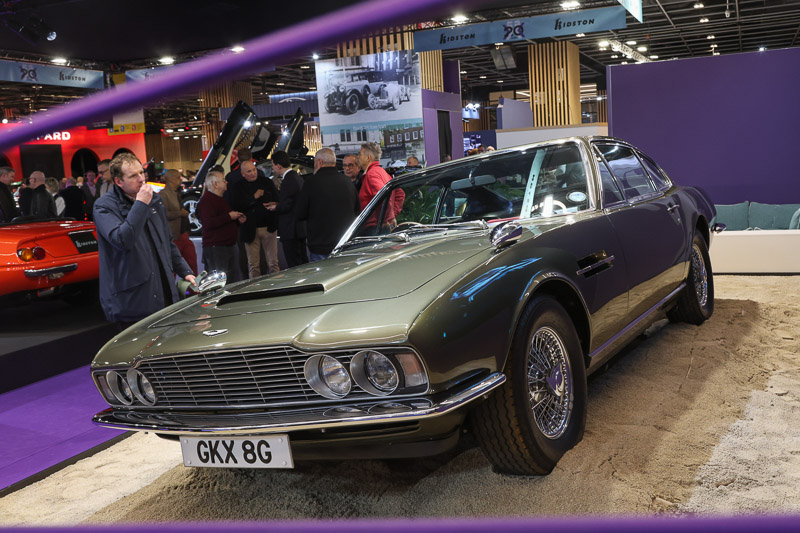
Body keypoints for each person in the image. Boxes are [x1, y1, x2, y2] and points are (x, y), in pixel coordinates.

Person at [93, 153, 195, 329]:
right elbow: (123, 240)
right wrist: (140, 204)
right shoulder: (104, 206)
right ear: (119, 182)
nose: (141, 179)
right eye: (133, 176)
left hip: (163, 293)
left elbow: (167, 242)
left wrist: (185, 271)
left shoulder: (155, 200)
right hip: (132, 301)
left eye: (141, 172)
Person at [295, 147, 359, 262]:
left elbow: (300, 213)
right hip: (344, 244)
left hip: (320, 246)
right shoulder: (347, 182)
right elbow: (357, 211)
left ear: (319, 162)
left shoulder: (311, 183)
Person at [230, 160, 280, 278]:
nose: (253, 173)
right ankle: (255, 289)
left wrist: (274, 203)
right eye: (249, 171)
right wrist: (254, 197)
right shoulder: (238, 186)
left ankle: (278, 287)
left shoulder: (266, 182)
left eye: (254, 170)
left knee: (273, 262)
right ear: (243, 174)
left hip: (269, 227)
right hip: (250, 229)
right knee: (253, 265)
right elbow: (237, 205)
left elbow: (277, 198)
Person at [197, 170, 245, 279]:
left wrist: (236, 220)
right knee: (219, 281)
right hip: (217, 248)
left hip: (227, 246)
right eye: (223, 180)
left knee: (231, 279)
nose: (226, 182)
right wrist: (229, 216)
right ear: (215, 184)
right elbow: (208, 223)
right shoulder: (207, 200)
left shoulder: (219, 199)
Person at [264, 150, 307, 268]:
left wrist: (276, 207)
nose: (272, 168)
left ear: (278, 166)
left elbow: (287, 205)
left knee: (295, 266)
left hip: (291, 231)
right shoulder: (296, 177)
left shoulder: (288, 180)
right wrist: (278, 203)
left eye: (272, 165)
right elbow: (292, 200)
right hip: (299, 229)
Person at [357, 142, 404, 230]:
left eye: (360, 154)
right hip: (381, 225)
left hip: (375, 228)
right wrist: (392, 215)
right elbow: (400, 194)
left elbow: (383, 196)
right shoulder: (382, 172)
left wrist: (386, 218)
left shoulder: (372, 174)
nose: (358, 157)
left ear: (368, 158)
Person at [159, 168, 198, 275]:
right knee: (174, 268)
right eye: (178, 177)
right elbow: (163, 214)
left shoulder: (177, 192)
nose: (181, 180)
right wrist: (179, 213)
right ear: (171, 179)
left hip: (183, 234)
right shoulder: (163, 194)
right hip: (173, 236)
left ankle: (193, 288)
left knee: (192, 264)